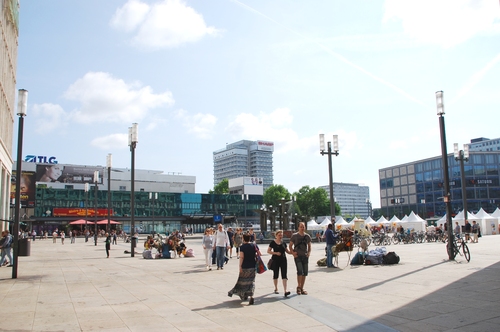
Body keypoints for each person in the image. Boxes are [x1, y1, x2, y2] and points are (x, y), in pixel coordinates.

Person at [228, 234, 258, 305]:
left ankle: (244, 294)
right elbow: (258, 254)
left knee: (243, 281)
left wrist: (240, 266)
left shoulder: (242, 247)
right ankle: (251, 296)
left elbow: (242, 257)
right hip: (253, 265)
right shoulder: (254, 245)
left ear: (243, 239)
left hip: (245, 266)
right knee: (251, 281)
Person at [289, 222, 312, 295]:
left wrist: (308, 253)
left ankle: (302, 288)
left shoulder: (307, 236)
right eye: (301, 227)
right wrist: (293, 253)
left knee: (305, 272)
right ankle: (298, 287)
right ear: (298, 227)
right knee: (300, 271)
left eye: (303, 227)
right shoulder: (294, 236)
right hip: (298, 256)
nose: (302, 228)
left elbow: (309, 245)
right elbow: (290, 245)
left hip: (305, 256)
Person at [267, 230, 292, 297]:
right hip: (275, 260)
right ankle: (276, 288)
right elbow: (268, 251)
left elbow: (287, 251)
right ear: (276, 235)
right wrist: (275, 253)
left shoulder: (283, 243)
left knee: (284, 274)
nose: (280, 236)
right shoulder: (273, 242)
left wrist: (293, 253)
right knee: (276, 274)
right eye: (279, 235)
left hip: (283, 260)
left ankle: (285, 290)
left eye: (281, 235)